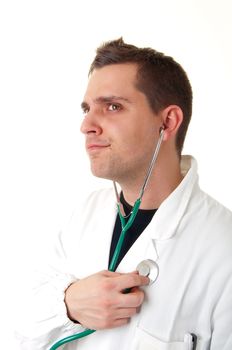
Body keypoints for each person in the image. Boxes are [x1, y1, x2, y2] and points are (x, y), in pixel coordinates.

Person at [15, 38, 232, 350]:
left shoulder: (224, 250)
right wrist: (68, 303)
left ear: (167, 122)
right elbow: (21, 326)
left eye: (112, 106)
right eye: (87, 109)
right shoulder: (86, 214)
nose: (87, 125)